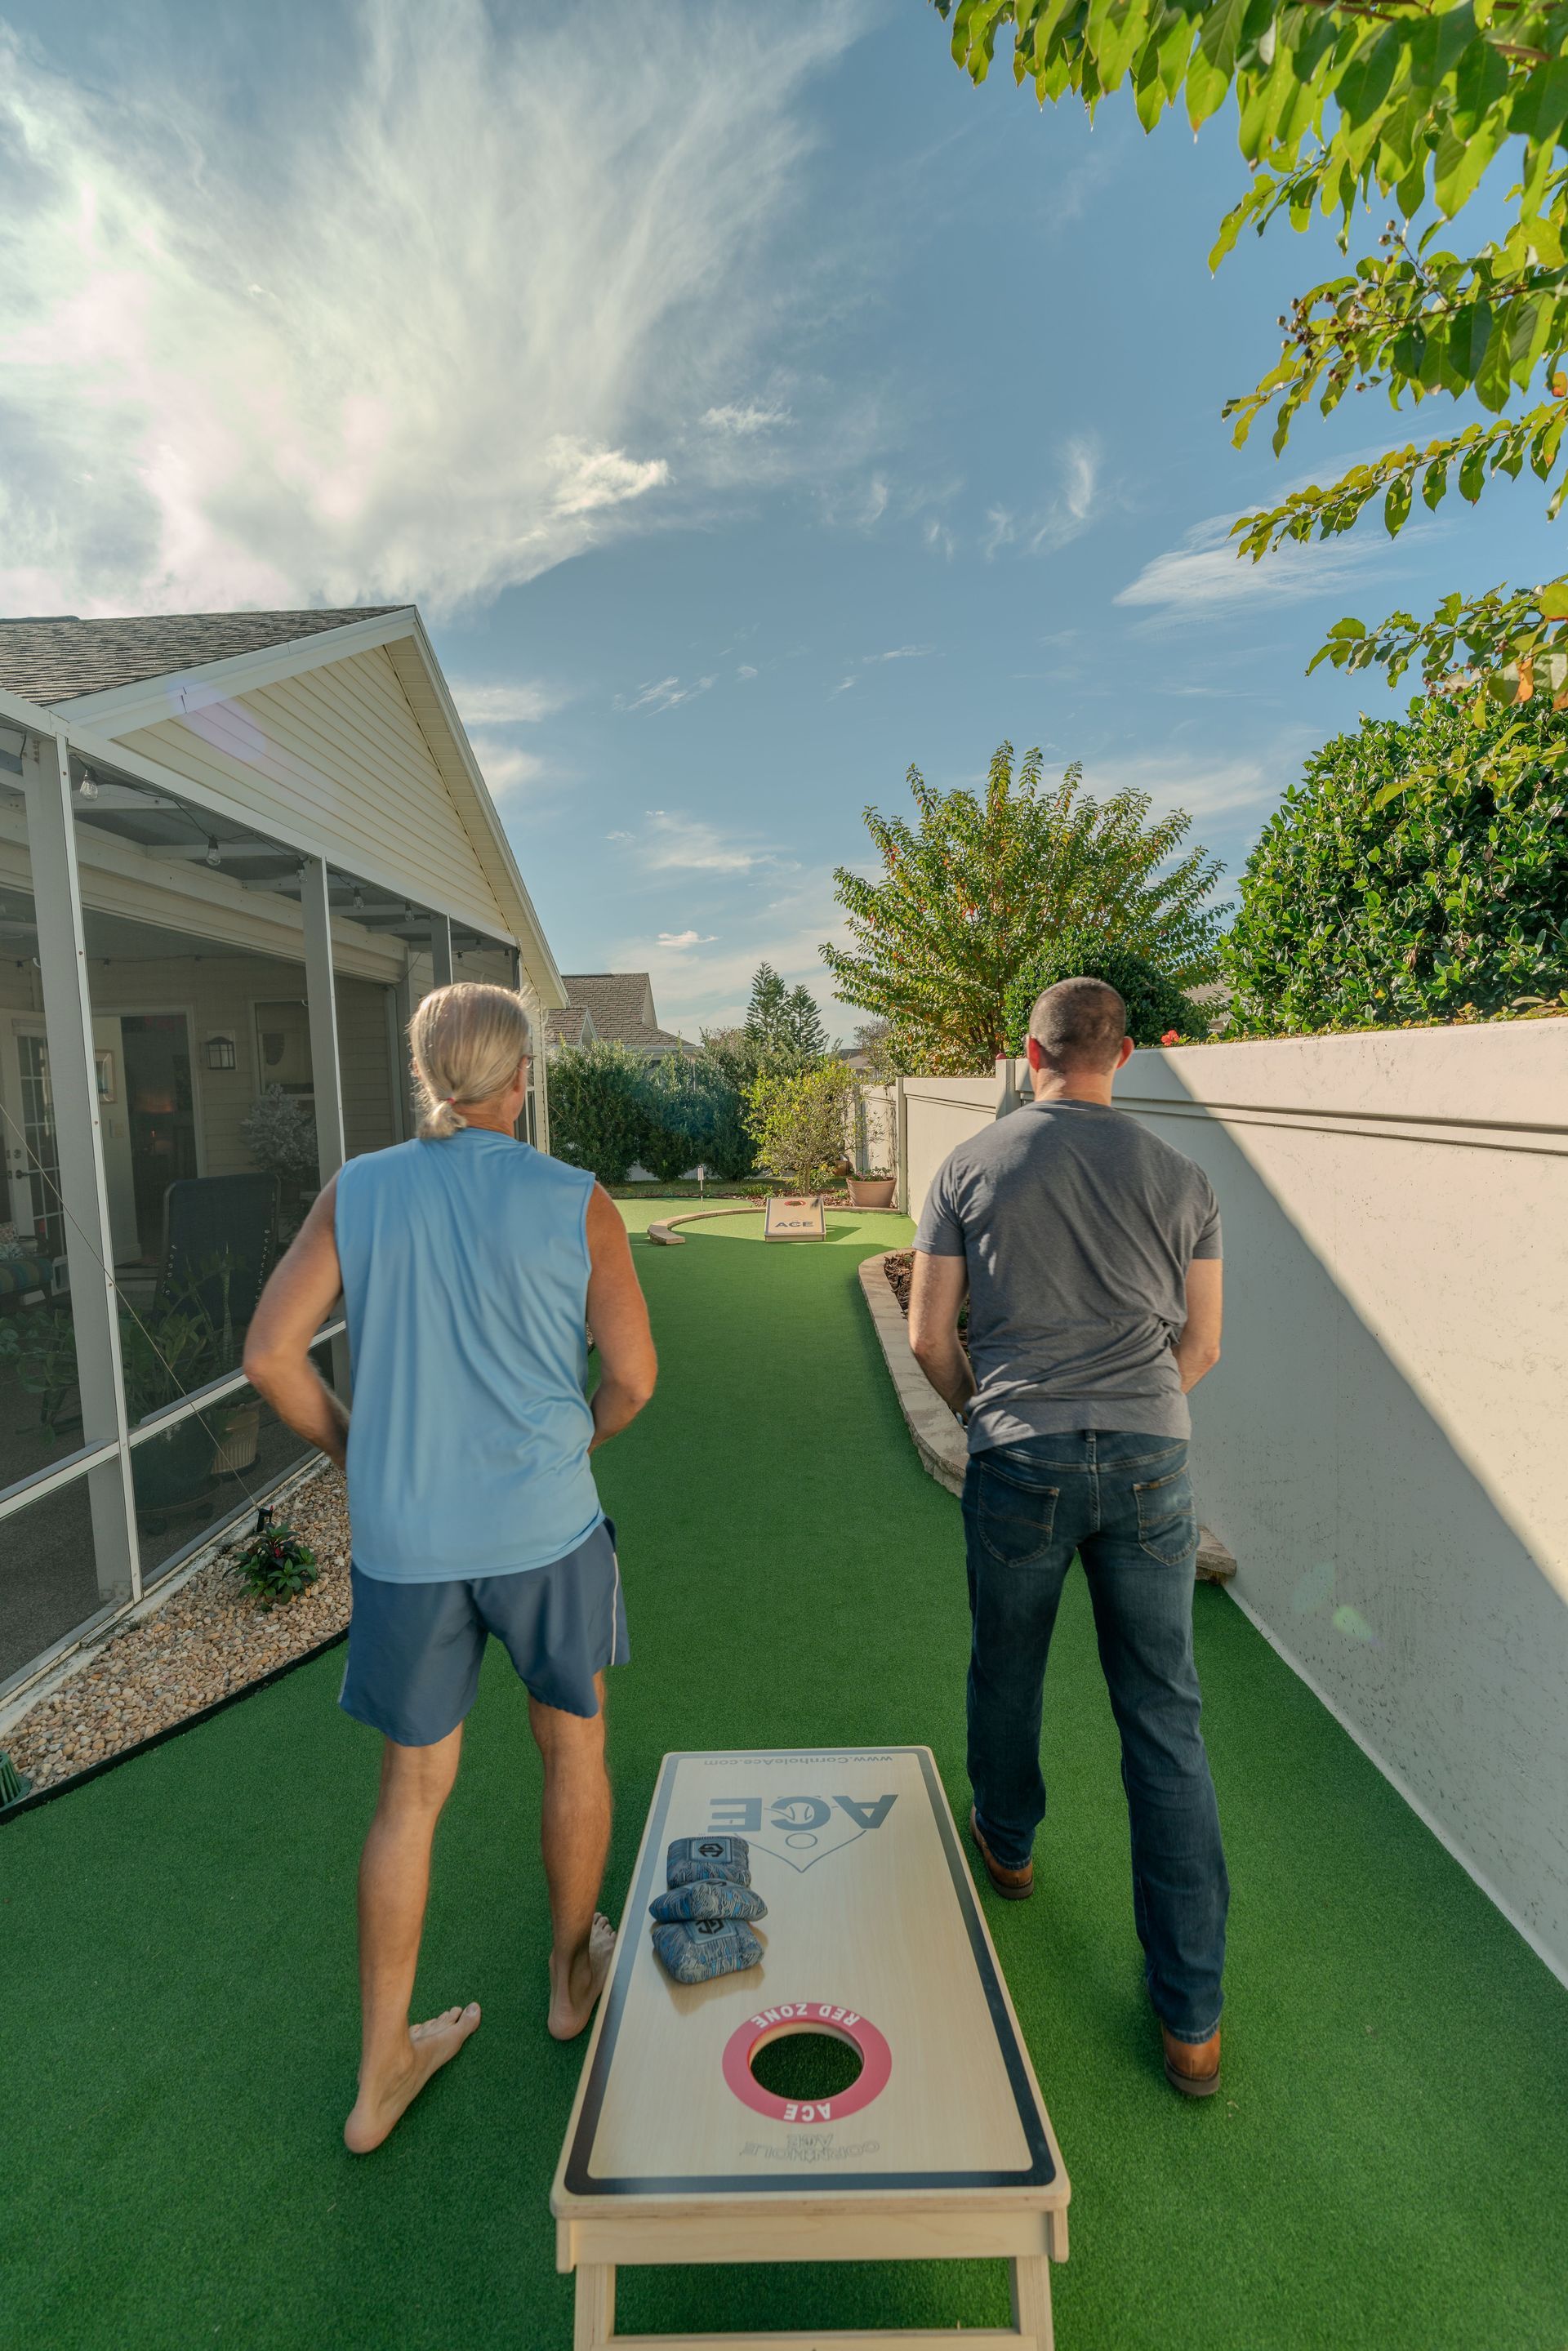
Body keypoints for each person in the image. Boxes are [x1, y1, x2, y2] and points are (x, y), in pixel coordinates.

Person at [243, 982, 656, 2152]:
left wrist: (358, 1449)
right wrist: (582, 1432)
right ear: (520, 1079)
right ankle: (570, 1981)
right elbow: (631, 1381)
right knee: (572, 1747)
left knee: (408, 1800)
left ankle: (380, 2075)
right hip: (547, 1533)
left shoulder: (358, 1189)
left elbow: (269, 1354)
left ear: (429, 1074)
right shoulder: (578, 1200)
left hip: (408, 1546)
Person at [907, 977, 1228, 2097]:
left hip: (1018, 1457)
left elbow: (928, 1334)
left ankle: (1009, 1843)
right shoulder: (1184, 1177)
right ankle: (1192, 2019)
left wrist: (985, 1420)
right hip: (1151, 1458)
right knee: (1164, 1717)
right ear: (1123, 1053)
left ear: (1024, 1052)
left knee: (1009, 1667)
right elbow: (1203, 1345)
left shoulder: (970, 1166)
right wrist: (1142, 1417)